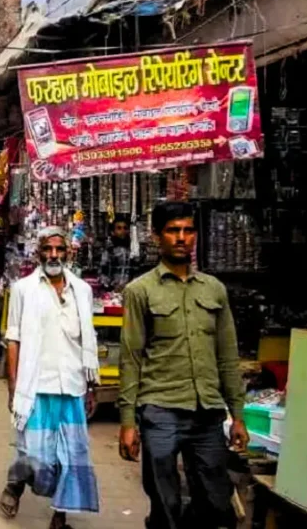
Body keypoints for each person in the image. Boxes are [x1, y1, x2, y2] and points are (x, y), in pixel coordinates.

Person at [119, 201, 247, 529]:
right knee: (165, 500)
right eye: (173, 230)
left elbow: (227, 356)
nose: (181, 238)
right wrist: (128, 422)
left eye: (188, 230)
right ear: (156, 236)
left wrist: (238, 415)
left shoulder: (214, 290)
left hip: (207, 411)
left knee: (215, 501)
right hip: (160, 408)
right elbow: (131, 358)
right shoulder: (140, 291)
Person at [0, 226, 100, 529]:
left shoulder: (82, 291)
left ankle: (60, 515)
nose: (53, 255)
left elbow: (88, 338)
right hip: (36, 385)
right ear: (38, 252)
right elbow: (13, 339)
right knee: (35, 453)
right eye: (47, 249)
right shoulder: (23, 289)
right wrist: (13, 387)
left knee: (71, 455)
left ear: (68, 253)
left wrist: (92, 386)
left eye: (59, 249)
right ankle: (16, 482)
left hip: (72, 385)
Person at [99, 215, 138, 291]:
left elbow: (137, 272)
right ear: (113, 232)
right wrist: (111, 287)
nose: (123, 231)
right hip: (112, 292)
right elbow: (102, 273)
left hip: (130, 291)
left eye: (125, 228)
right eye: (119, 228)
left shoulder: (133, 251)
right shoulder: (109, 251)